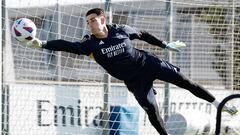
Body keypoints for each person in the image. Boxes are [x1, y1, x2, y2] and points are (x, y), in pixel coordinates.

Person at [26, 8, 237, 135]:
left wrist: (164, 44)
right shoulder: (89, 44)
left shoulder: (120, 30)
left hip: (149, 64)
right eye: (87, 22)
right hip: (135, 81)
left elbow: (142, 33)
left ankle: (220, 105)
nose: (90, 24)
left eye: (93, 20)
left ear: (103, 19)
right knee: (152, 112)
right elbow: (67, 45)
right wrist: (42, 43)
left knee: (185, 81)